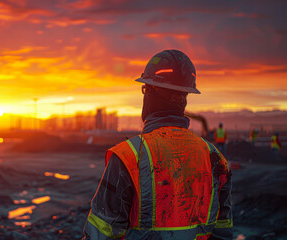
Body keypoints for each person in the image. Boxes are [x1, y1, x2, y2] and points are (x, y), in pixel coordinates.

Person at [83, 50, 232, 239]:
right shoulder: (215, 159)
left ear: (149, 91)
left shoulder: (129, 156)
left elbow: (101, 235)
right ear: (185, 97)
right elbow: (222, 232)